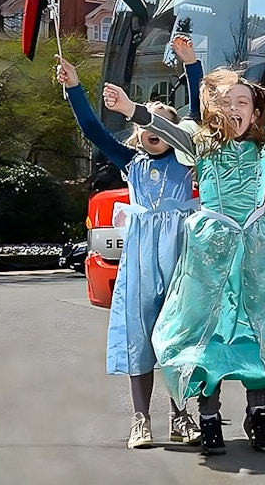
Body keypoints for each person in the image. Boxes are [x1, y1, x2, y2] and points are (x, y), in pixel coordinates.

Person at [102, 45, 265, 457]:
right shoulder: (199, 143)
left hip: (258, 248)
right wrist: (130, 107)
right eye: (226, 102)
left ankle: (258, 416)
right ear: (212, 109)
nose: (236, 108)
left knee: (261, 327)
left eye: (244, 101)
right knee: (209, 331)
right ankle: (209, 418)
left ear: (255, 110)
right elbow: (161, 127)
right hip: (211, 249)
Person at [56, 38, 202, 450]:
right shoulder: (130, 162)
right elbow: (92, 129)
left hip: (179, 257)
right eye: (145, 123)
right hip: (140, 260)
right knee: (139, 334)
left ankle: (181, 415)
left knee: (178, 334)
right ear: (137, 134)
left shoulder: (186, 159)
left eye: (161, 122)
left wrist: (192, 66)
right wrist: (74, 88)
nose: (151, 128)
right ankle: (141, 419)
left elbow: (198, 116)